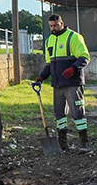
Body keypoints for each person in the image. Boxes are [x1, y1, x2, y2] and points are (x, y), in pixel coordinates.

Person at [33, 14, 91, 152]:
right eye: (51, 26)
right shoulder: (48, 41)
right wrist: (41, 78)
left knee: (78, 113)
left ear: (62, 23)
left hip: (73, 83)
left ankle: (84, 144)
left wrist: (73, 68)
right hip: (57, 84)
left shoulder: (74, 37)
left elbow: (84, 57)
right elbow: (49, 64)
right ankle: (63, 145)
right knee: (59, 115)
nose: (53, 28)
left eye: (55, 25)